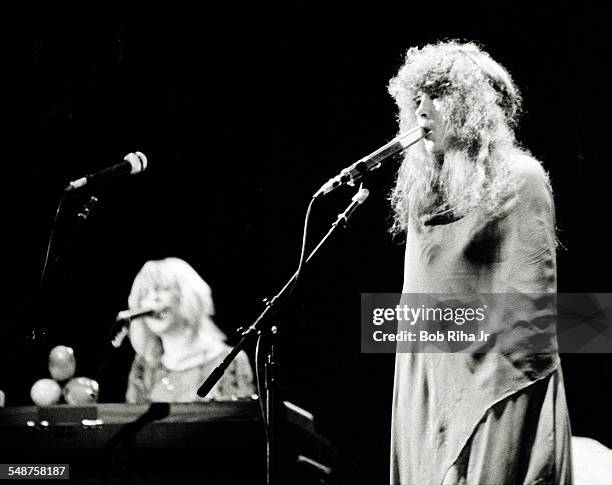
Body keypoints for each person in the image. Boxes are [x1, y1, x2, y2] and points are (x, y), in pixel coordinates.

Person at [387, 42, 572, 484]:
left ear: (475, 105)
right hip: (428, 393)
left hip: (496, 393)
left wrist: (472, 438)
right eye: (416, 99)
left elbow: (529, 330)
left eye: (438, 95)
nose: (422, 110)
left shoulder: (519, 180)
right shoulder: (423, 194)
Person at [124, 257, 254, 403]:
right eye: (145, 293)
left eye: (163, 288)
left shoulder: (230, 360)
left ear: (188, 296)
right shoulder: (144, 366)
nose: (153, 298)